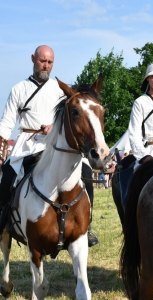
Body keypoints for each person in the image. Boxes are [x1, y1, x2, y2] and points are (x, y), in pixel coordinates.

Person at [0, 45, 98, 247]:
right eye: (42, 61)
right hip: (27, 146)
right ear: (33, 59)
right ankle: (4, 221)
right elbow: (7, 122)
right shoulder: (19, 89)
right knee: (7, 175)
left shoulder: (59, 89)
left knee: (86, 172)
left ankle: (86, 227)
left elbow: (71, 115)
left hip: (54, 146)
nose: (46, 66)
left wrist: (55, 126)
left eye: (50, 62)